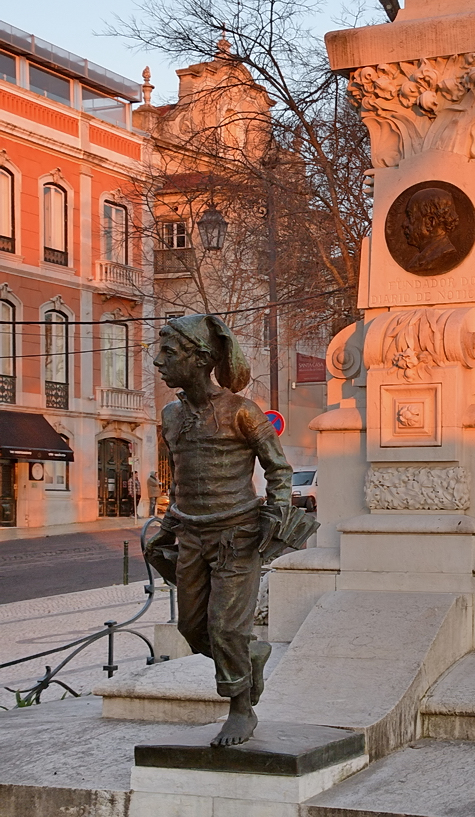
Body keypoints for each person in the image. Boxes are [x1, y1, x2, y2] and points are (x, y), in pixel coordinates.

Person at [145, 314, 294, 747]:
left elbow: (279, 471)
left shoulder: (241, 411)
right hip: (191, 535)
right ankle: (252, 656)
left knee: (226, 628)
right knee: (193, 630)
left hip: (237, 536)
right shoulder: (171, 415)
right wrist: (167, 528)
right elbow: (180, 480)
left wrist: (276, 513)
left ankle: (241, 710)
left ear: (201, 359)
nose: (159, 362)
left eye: (169, 353)